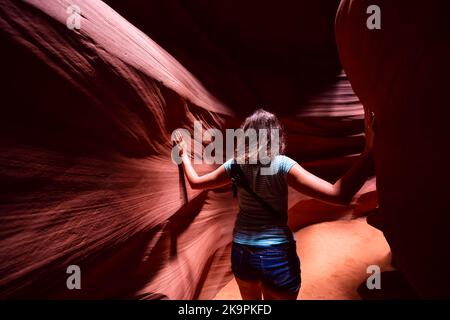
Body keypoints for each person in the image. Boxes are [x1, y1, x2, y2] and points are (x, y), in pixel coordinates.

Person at [173, 109, 374, 300]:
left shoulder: (236, 164)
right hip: (276, 254)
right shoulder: (283, 165)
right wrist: (369, 152)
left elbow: (196, 183)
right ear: (274, 136)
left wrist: (182, 155)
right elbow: (339, 195)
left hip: (243, 251)